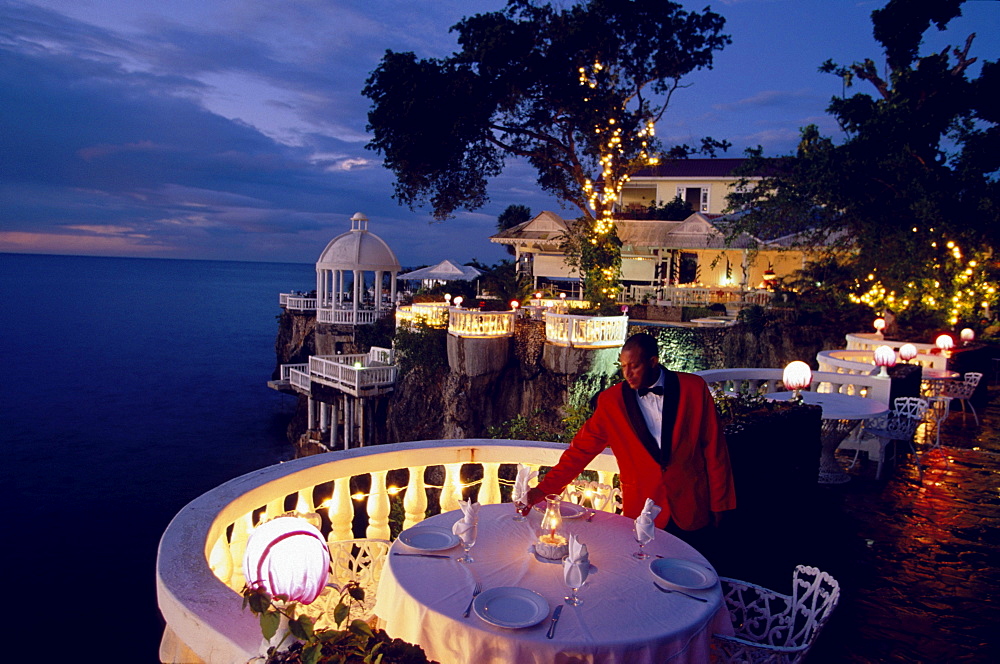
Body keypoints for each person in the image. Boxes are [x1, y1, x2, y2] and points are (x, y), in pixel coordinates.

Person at [522, 332, 735, 551]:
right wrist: (543, 490)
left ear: (653, 362)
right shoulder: (611, 402)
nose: (627, 374)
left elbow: (714, 448)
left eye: (634, 366)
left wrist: (721, 503)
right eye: (622, 366)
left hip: (692, 505)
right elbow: (580, 452)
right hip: (642, 510)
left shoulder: (694, 388)